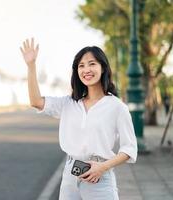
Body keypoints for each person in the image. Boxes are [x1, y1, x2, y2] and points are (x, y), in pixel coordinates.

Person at [20, 38, 137, 200]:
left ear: (103, 68)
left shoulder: (117, 107)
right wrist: (31, 66)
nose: (86, 69)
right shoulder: (69, 103)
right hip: (70, 175)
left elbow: (129, 149)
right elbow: (36, 101)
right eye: (81, 66)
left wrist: (102, 167)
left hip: (100, 176)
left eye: (92, 64)